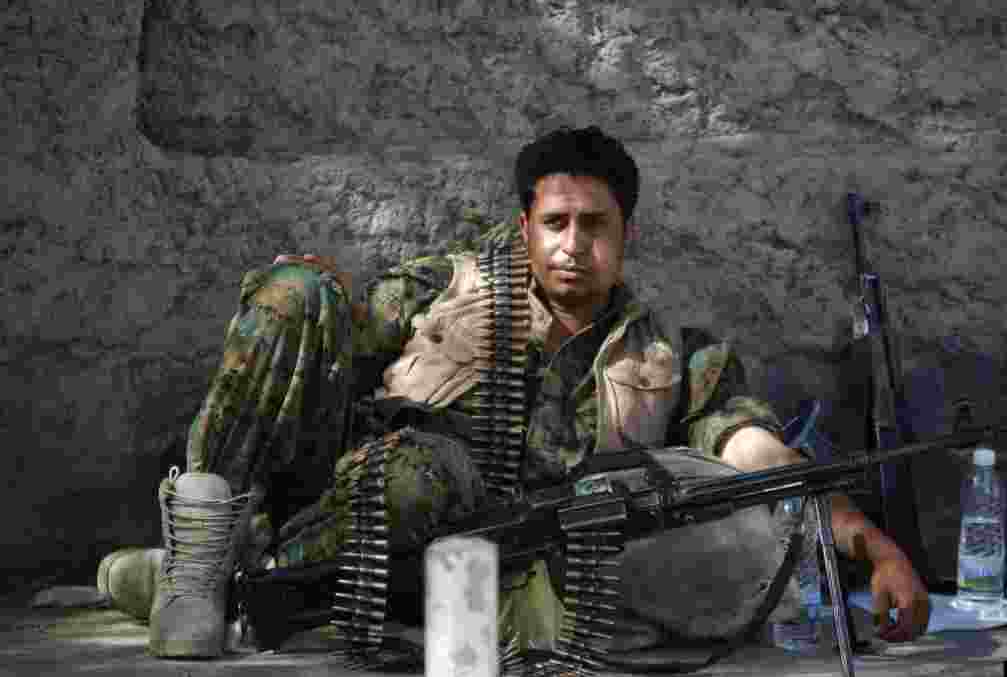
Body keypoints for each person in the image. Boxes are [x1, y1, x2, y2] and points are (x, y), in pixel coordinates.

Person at [99, 126, 930, 659]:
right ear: (526, 225)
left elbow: (766, 461)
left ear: (625, 235)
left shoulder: (671, 354)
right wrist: (307, 297)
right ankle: (201, 565)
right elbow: (332, 342)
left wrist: (875, 550)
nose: (573, 247)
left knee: (421, 486)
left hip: (484, 571)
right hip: (348, 493)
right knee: (294, 293)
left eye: (594, 225)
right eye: (555, 223)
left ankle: (222, 583)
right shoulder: (452, 285)